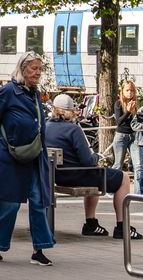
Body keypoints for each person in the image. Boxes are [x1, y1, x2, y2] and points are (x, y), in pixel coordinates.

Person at [0, 51, 56, 265]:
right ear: (22, 69)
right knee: (9, 204)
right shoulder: (7, 92)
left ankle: (39, 249)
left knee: (38, 201)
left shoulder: (34, 94)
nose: (38, 73)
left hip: (33, 156)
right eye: (34, 69)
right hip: (9, 156)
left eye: (40, 69)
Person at [47, 93, 138, 240]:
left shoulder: (46, 127)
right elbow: (87, 161)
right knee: (123, 178)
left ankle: (91, 224)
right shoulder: (73, 129)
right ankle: (122, 226)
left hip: (57, 176)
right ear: (70, 111)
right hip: (77, 175)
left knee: (94, 175)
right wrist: (98, 156)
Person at [111, 80, 139, 170]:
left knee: (138, 164)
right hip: (121, 136)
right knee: (118, 165)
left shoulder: (135, 103)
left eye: (132, 90)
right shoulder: (118, 103)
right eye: (127, 90)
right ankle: (110, 179)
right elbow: (119, 122)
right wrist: (128, 111)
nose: (130, 92)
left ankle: (138, 179)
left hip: (133, 136)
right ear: (122, 91)